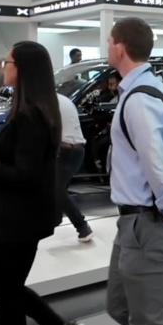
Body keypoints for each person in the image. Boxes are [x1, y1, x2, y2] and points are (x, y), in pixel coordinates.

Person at [0, 42, 80, 325]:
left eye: (8, 62)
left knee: (4, 287)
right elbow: (25, 159)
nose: (4, 67)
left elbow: (26, 174)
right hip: (20, 215)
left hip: (20, 218)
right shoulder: (32, 110)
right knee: (4, 287)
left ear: (23, 69)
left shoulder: (31, 116)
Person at [105, 18, 163, 325]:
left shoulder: (140, 100)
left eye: (109, 42)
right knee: (118, 307)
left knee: (147, 321)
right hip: (132, 223)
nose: (107, 47)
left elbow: (156, 165)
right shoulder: (140, 90)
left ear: (120, 48)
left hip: (147, 224)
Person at [57, 84, 94, 243]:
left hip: (65, 150)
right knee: (59, 188)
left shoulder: (47, 102)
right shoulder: (64, 99)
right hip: (77, 151)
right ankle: (56, 218)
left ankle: (83, 227)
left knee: (56, 189)